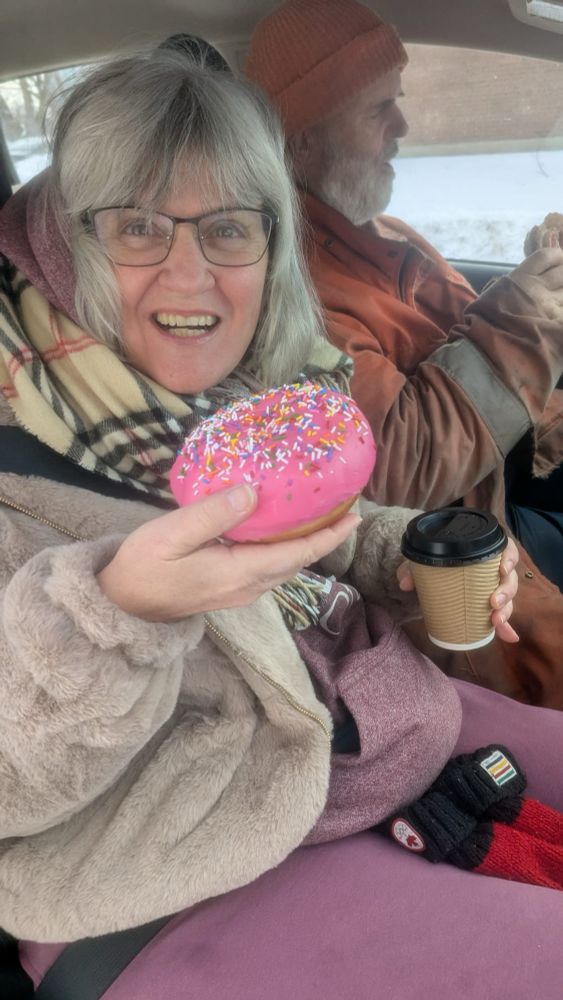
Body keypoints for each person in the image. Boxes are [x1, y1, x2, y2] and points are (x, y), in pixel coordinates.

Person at [0, 45, 562, 1000]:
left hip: (381, 740)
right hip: (180, 880)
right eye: (138, 227)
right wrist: (119, 609)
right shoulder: (20, 460)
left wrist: (406, 554)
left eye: (227, 229)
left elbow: (338, 534)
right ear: (70, 245)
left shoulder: (248, 401)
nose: (191, 276)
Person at [245, 0, 563, 707]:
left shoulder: (386, 234)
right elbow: (397, 467)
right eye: (377, 110)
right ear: (300, 140)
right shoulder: (289, 291)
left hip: (504, 509)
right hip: (445, 582)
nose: (403, 128)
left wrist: (538, 293)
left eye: (399, 101)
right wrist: (530, 316)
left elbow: (476, 340)